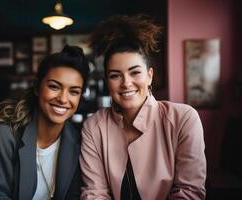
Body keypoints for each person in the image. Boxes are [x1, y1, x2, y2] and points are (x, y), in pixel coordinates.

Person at [80, 15, 206, 200]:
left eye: (135, 73)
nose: (126, 83)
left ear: (149, 76)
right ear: (107, 82)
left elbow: (189, 192)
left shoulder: (184, 118)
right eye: (115, 76)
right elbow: (94, 193)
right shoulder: (93, 127)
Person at [0, 45, 89, 200]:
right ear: (37, 88)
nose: (63, 99)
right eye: (54, 87)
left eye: (74, 91)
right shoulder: (3, 135)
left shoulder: (78, 141)